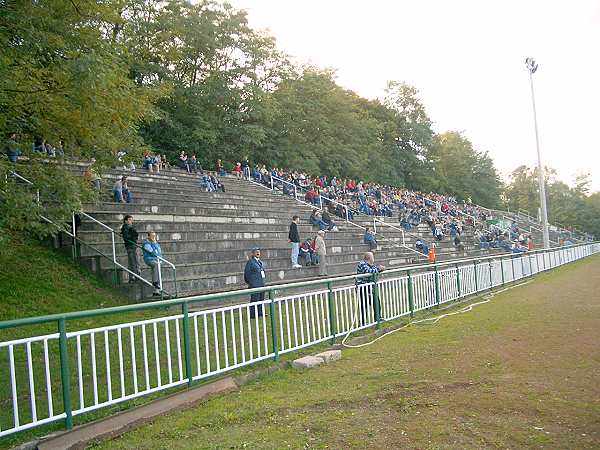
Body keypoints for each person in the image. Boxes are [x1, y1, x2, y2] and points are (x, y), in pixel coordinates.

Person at [356, 252, 385, 326]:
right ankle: (363, 322)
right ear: (369, 258)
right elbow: (369, 271)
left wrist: (379, 269)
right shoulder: (362, 264)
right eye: (373, 257)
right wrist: (379, 268)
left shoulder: (371, 265)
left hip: (369, 287)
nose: (373, 258)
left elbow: (375, 270)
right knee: (364, 304)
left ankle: (378, 318)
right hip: (362, 288)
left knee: (376, 302)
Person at [243, 247, 265, 318]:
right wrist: (252, 283)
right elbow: (247, 274)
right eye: (256, 252)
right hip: (255, 285)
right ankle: (253, 315)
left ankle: (260, 313)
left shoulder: (259, 262)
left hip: (261, 284)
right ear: (252, 253)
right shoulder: (250, 262)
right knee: (254, 300)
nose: (258, 253)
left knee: (261, 300)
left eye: (259, 251)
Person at [121, 215, 140, 283]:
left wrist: (134, 235)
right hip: (130, 246)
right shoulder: (125, 227)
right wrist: (133, 236)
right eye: (129, 219)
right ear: (126, 221)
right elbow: (126, 237)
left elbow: (135, 235)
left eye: (132, 219)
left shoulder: (130, 227)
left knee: (135, 261)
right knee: (133, 262)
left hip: (133, 245)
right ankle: (134, 276)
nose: (131, 221)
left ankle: (135, 276)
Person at [142, 231, 162, 296]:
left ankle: (156, 291)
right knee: (156, 265)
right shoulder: (146, 243)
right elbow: (153, 253)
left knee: (156, 272)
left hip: (156, 260)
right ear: (148, 236)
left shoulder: (156, 243)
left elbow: (159, 253)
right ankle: (155, 283)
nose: (154, 237)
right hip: (149, 259)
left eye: (154, 236)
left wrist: (155, 243)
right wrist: (154, 243)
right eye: (152, 235)